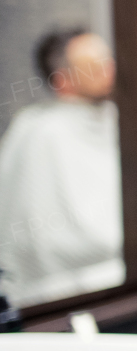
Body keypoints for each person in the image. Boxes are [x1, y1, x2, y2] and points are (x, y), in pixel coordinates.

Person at [0, 28, 124, 306]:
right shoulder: (39, 133)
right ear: (62, 81)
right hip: (57, 296)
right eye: (94, 65)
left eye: (108, 60)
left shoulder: (117, 119)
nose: (109, 70)